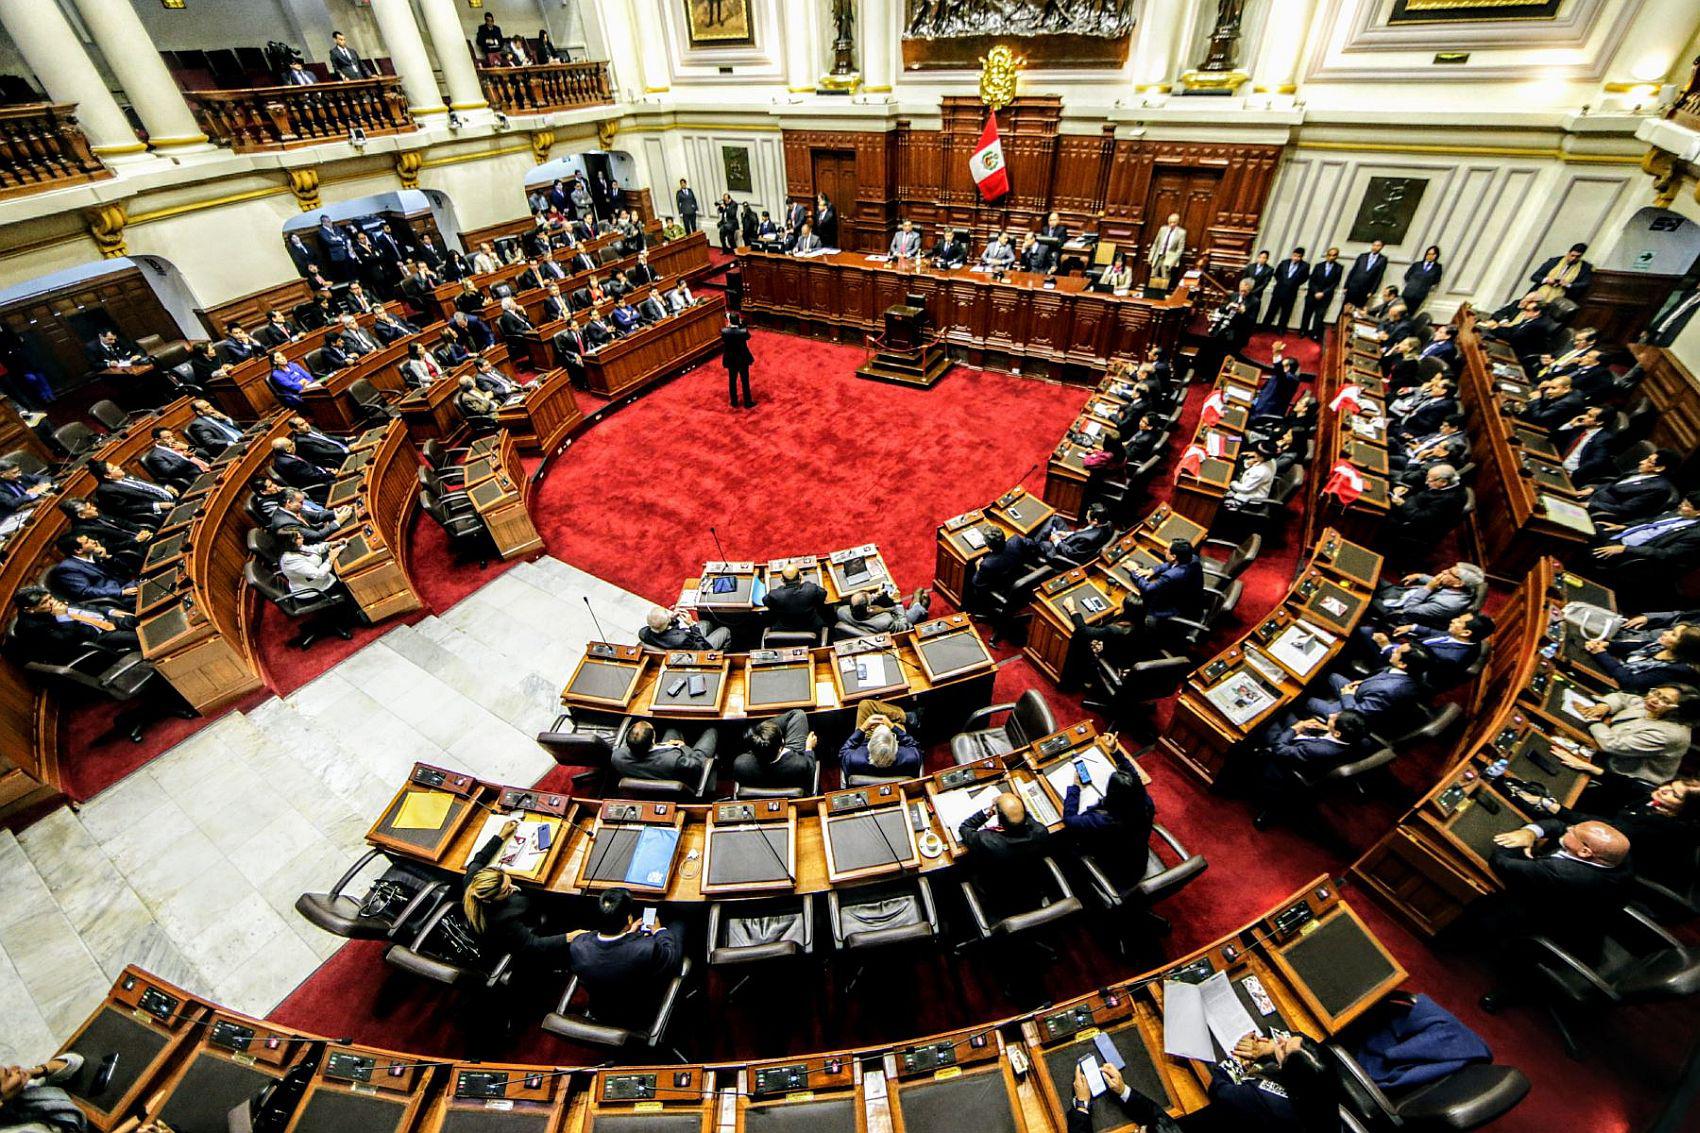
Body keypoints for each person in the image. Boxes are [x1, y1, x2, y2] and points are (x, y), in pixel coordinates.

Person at [462, 817, 572, 966]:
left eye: (509, 882)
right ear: (489, 899)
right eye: (506, 890)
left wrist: (500, 836)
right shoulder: (504, 920)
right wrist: (569, 937)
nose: (513, 888)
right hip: (515, 938)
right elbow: (533, 944)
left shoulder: (472, 882)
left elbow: (479, 860)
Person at [564, 888, 684, 1022]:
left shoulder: (578, 945)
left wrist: (628, 934)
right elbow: (671, 958)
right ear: (629, 920)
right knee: (678, 924)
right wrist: (659, 931)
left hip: (600, 1011)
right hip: (639, 1013)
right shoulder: (646, 948)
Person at [1203, 1033, 1344, 1132]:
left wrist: (1238, 1058)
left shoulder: (1262, 1097)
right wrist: (1269, 1047)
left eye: (1283, 1048)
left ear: (1286, 1072)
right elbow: (1301, 1038)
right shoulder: (1323, 1078)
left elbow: (1218, 1089)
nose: (1280, 1039)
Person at [1300, 642, 1433, 730]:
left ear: (1403, 664)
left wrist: (1347, 696)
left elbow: (1356, 714)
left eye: (1397, 651)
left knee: (1308, 700)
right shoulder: (1410, 672)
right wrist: (1363, 683)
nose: (1393, 650)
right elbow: (1382, 679)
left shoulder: (1388, 691)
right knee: (1332, 676)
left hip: (1351, 713)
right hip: (1360, 693)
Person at [1583, 449, 1680, 526]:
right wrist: (1593, 489)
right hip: (1593, 497)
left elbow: (1625, 509)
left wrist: (1591, 505)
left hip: (1602, 509)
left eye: (1649, 461)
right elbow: (1615, 482)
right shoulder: (1642, 470)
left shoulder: (1659, 489)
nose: (1641, 462)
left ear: (1659, 468)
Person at [612, 719, 717, 789]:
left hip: (658, 769)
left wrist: (666, 746)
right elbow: (696, 764)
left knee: (673, 728)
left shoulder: (617, 757)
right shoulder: (674, 761)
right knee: (712, 730)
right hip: (682, 771)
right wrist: (682, 747)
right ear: (653, 739)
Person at [1370, 563, 1485, 626]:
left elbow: (1408, 610)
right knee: (1370, 573)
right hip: (1402, 594)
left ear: (1459, 583)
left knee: (1365, 594)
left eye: (1450, 573)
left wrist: (1428, 588)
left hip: (1397, 612)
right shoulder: (1459, 587)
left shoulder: (1448, 604)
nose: (1444, 571)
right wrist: (1419, 576)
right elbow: (1437, 581)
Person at [732, 709, 817, 790]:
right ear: (782, 744)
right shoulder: (800, 765)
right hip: (789, 769)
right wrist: (809, 748)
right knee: (799, 715)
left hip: (759, 786)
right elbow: (810, 770)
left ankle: (760, 730)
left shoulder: (741, 765)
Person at [60, 497, 149, 574]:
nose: (94, 508)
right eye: (90, 508)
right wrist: (136, 541)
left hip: (141, 538)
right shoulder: (82, 532)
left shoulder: (95, 515)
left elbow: (122, 522)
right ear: (81, 515)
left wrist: (141, 530)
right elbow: (110, 548)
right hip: (133, 550)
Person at [1385, 463, 1466, 545]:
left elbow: (1419, 518)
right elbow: (1423, 490)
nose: (1426, 482)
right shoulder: (1446, 483)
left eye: (1429, 480)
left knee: (1382, 513)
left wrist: (1403, 504)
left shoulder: (1448, 501)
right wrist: (1407, 489)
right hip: (1413, 504)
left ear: (1443, 482)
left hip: (1414, 524)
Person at [47, 533, 136, 606]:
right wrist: (120, 592)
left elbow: (126, 569)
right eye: (87, 542)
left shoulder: (94, 553)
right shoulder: (67, 568)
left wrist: (106, 557)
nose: (93, 541)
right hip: (115, 598)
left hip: (128, 584)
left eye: (89, 538)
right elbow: (86, 591)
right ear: (78, 550)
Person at [1130, 539, 1203, 625]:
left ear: (1173, 556)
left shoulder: (1170, 576)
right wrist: (1153, 570)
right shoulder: (1193, 558)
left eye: (1167, 549)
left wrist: (1134, 570)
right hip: (1192, 600)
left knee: (1136, 603)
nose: (1165, 551)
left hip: (1177, 609)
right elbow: (1171, 564)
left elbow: (1148, 589)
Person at [839, 706, 922, 781]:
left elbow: (844, 751)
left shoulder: (853, 760)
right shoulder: (911, 758)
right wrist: (893, 727)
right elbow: (913, 744)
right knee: (897, 723)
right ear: (895, 746)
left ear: (869, 746)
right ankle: (905, 717)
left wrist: (863, 727)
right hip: (897, 775)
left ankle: (905, 717)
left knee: (864, 705)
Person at [89, 459, 175, 524]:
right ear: (107, 476)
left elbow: (147, 485)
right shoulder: (106, 491)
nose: (118, 467)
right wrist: (157, 506)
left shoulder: (124, 475)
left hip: (170, 500)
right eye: (113, 468)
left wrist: (164, 487)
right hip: (157, 512)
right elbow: (126, 509)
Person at [968, 527, 1035, 607]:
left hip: (1003, 588)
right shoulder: (1016, 540)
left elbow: (977, 583)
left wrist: (978, 567)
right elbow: (1032, 544)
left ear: (987, 545)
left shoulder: (987, 564)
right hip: (1021, 575)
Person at [276, 526, 346, 600]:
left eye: (301, 536)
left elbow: (314, 549)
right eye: (299, 538)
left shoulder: (296, 547)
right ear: (290, 542)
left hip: (321, 578)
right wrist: (330, 558)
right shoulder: (290, 561)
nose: (303, 538)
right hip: (315, 591)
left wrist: (333, 544)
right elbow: (319, 574)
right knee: (346, 580)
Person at [1035, 502, 1114, 567]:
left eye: (1088, 516)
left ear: (1095, 521)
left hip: (1064, 551)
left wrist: (1057, 541)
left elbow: (1070, 553)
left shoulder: (1087, 539)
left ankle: (1035, 545)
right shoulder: (1108, 524)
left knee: (1044, 544)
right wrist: (1067, 534)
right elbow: (1083, 533)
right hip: (1073, 540)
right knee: (1056, 519)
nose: (1086, 517)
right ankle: (1038, 539)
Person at [763, 564, 827, 632]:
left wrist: (780, 589)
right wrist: (803, 584)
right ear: (800, 577)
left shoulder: (775, 595)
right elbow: (823, 594)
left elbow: (765, 601)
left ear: (782, 580)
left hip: (784, 630)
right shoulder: (811, 588)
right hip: (812, 627)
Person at [141, 428, 210, 491]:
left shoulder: (179, 444)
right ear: (158, 440)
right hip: (196, 477)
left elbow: (206, 454)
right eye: (168, 438)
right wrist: (184, 458)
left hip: (209, 466)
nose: (172, 440)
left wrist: (186, 447)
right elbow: (170, 472)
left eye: (173, 436)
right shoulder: (156, 456)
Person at [639, 605, 730, 651]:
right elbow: (702, 649)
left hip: (678, 644)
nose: (668, 613)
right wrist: (691, 625)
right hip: (700, 648)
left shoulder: (643, 633)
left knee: (705, 623)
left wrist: (672, 619)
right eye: (666, 613)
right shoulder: (682, 639)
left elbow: (665, 630)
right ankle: (723, 654)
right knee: (725, 631)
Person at [1299, 246, 1342, 340]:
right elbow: (1312, 280)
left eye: (1334, 255)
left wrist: (1323, 293)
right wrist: (1316, 292)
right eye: (1330, 255)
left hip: (1325, 297)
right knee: (1307, 314)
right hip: (1312, 294)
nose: (1331, 257)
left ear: (1336, 256)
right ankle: (1303, 331)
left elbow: (1335, 283)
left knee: (1319, 316)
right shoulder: (1319, 266)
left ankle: (1314, 334)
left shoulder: (1339, 268)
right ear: (1326, 255)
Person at [1528, 242, 1593, 303]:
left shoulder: (1585, 267)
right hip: (1539, 294)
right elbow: (1535, 276)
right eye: (1572, 255)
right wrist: (1547, 280)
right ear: (1568, 253)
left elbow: (1585, 283)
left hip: (1562, 298)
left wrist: (1568, 285)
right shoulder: (1554, 261)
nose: (1573, 258)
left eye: (1577, 257)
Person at [1225, 442, 1278, 507]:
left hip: (1248, 500)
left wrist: (1231, 483)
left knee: (1220, 493)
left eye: (1256, 452)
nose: (1254, 453)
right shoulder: (1272, 461)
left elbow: (1244, 489)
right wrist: (1248, 464)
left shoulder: (1261, 472)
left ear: (1261, 456)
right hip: (1249, 488)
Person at [721, 311, 755, 408]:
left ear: (730, 321)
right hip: (742, 359)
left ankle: (734, 402)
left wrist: (729, 325)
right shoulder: (743, 331)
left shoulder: (724, 332)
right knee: (745, 381)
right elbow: (748, 337)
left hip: (731, 360)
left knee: (732, 381)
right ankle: (747, 402)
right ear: (738, 320)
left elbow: (724, 338)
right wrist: (740, 325)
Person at [1343, 239, 1387, 309]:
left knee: (1358, 309)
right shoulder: (1362, 256)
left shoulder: (1383, 259)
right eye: (1374, 245)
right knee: (1345, 308)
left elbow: (1379, 277)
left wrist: (1372, 291)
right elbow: (1353, 271)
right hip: (1353, 287)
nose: (1375, 247)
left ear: (1382, 247)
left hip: (1365, 290)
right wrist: (1346, 286)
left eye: (1378, 246)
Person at [1402, 245, 1444, 310]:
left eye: (1433, 254)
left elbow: (1436, 280)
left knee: (1411, 311)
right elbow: (1407, 276)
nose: (1430, 256)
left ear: (1436, 255)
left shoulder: (1438, 267)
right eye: (1428, 254)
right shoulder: (1417, 264)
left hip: (1420, 295)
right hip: (1408, 292)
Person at [1148, 212, 1186, 281]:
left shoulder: (1181, 233)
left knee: (1165, 278)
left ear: (1177, 222)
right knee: (1153, 276)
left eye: (1174, 222)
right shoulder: (1162, 229)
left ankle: (1163, 288)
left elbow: (1180, 249)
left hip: (1168, 258)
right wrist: (1151, 256)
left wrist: (1173, 261)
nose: (1172, 224)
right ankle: (1152, 288)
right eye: (1170, 222)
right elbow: (1155, 244)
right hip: (1158, 256)